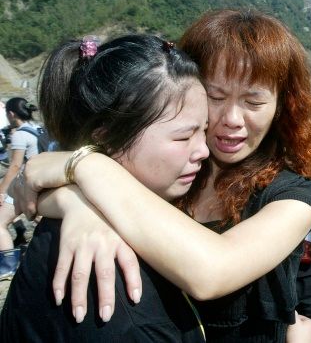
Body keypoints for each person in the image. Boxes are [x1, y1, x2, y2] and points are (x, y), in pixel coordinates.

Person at [13, 9, 311, 342]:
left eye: (253, 101)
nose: (232, 118)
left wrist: (87, 166)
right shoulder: (172, 167)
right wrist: (79, 204)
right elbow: (40, 195)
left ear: (282, 105)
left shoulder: (291, 193)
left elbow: (218, 272)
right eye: (216, 96)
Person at [1, 34, 210, 341]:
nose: (203, 150)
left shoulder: (76, 220)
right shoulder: (118, 296)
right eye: (183, 137)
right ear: (107, 137)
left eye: (204, 131)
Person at [0, 97, 42, 279]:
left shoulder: (19, 135)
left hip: (24, 184)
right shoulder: (36, 128)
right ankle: (20, 232)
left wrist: (2, 191)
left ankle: (8, 267)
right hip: (40, 181)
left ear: (11, 114)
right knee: (37, 217)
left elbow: (15, 166)